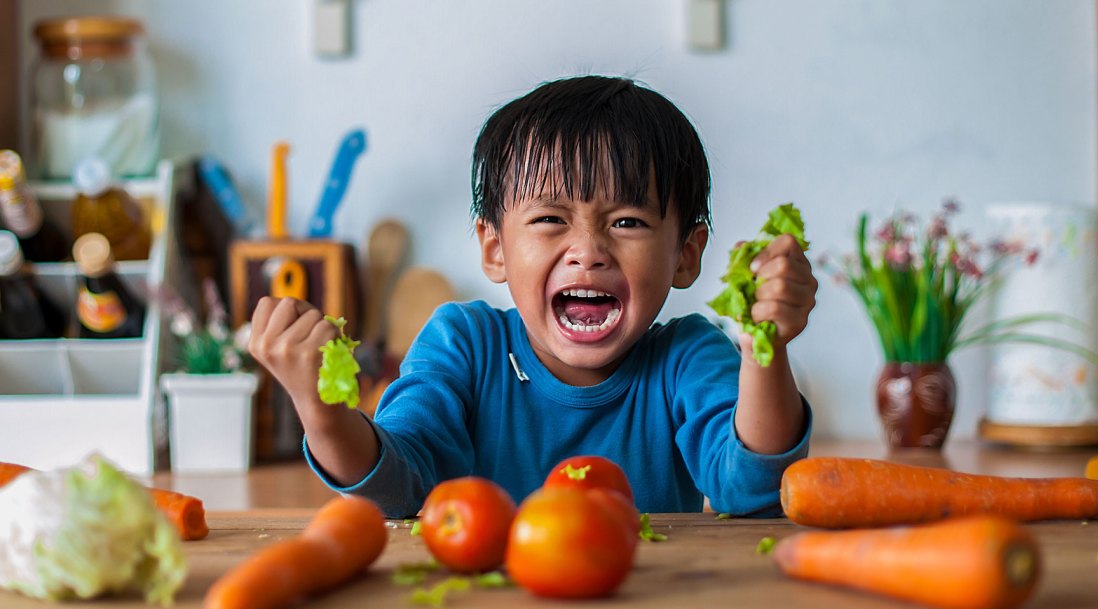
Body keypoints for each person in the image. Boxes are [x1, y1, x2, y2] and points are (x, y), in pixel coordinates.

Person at [247, 75, 817, 518]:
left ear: (686, 254)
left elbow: (754, 492)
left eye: (628, 223)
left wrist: (764, 345)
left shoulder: (689, 357)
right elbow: (395, 487)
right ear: (495, 249)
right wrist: (320, 411)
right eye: (549, 218)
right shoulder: (463, 346)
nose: (587, 250)